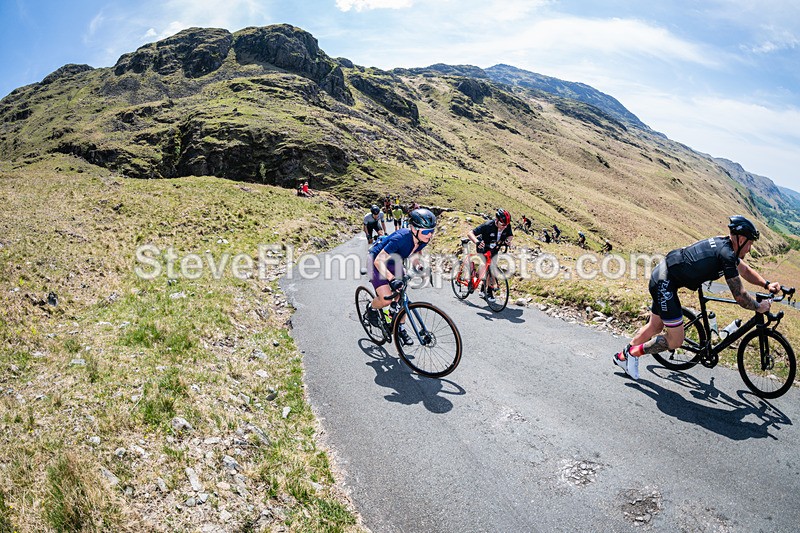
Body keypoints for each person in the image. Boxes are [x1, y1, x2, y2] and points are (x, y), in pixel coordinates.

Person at [612, 215, 780, 380]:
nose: (750, 249)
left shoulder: (726, 246)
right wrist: (759, 307)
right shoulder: (726, 254)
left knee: (655, 326)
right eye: (749, 243)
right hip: (665, 283)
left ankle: (622, 357)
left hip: (664, 274)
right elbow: (740, 296)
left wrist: (766, 284)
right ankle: (632, 354)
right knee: (676, 340)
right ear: (741, 239)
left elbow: (745, 271)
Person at [366, 208, 438, 345]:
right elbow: (378, 261)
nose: (430, 235)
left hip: (395, 261)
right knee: (386, 299)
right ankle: (371, 308)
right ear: (413, 228)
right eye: (427, 232)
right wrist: (392, 279)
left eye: (432, 231)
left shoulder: (423, 238)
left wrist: (419, 266)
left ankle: (400, 328)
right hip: (376, 260)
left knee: (401, 296)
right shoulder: (400, 238)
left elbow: (415, 252)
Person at [466, 209, 513, 303]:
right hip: (483, 247)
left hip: (494, 249)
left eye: (506, 225)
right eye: (503, 224)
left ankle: (484, 289)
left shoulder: (506, 225)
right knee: (487, 266)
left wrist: (508, 240)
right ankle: (487, 290)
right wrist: (477, 242)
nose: (505, 227)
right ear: (497, 220)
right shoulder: (487, 225)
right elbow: (470, 233)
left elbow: (510, 235)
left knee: (491, 268)